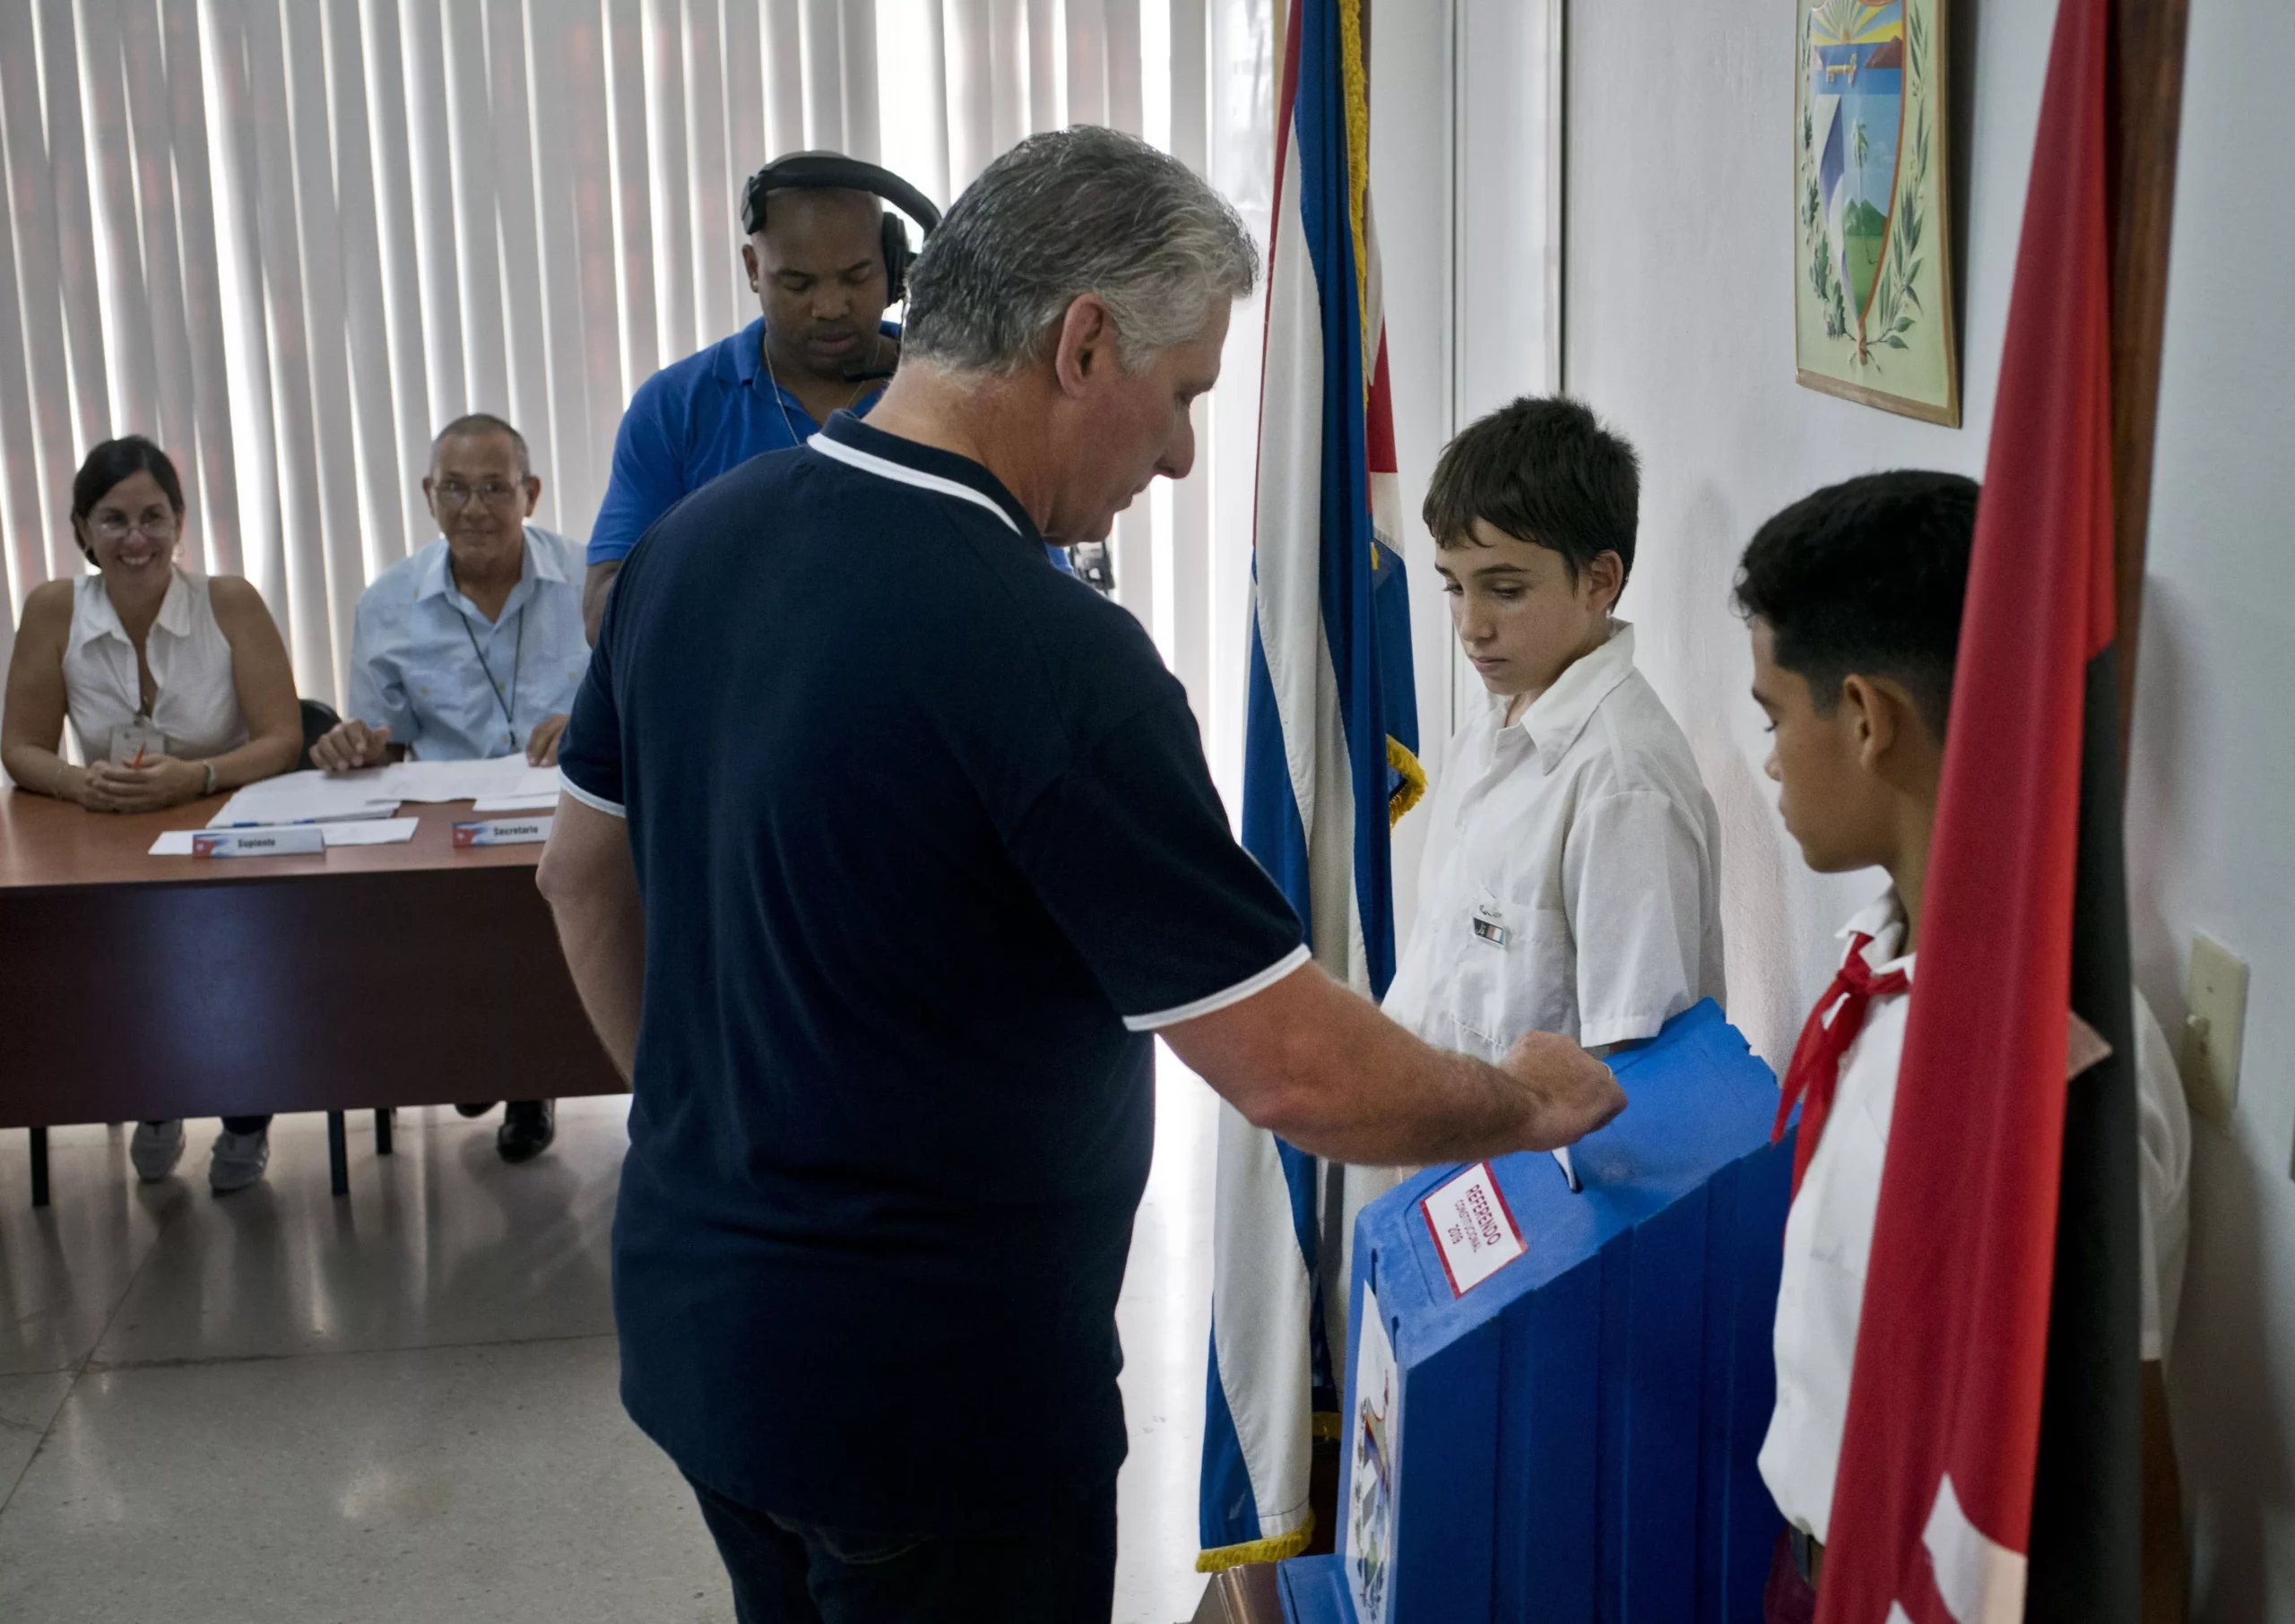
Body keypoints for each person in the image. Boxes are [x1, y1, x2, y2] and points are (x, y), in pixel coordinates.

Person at [536, 126, 1626, 1624]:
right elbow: (1296, 1073)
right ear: (1084, 342)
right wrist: (1528, 1102)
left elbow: (578, 876)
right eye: (1181, 398)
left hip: (698, 1329)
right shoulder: (1053, 660)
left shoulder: (690, 549)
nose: (1182, 452)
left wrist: (686, 1117)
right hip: (938, 1406)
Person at [1733, 471, 2191, 1623]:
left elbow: (2120, 1484)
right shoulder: (1876, 976)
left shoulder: (2042, 1075)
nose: (1773, 759)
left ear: (1868, 718)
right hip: (1807, 1564)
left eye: (1775, 714)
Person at [1383, 396, 1725, 1072]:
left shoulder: (1621, 788)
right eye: (1454, 587)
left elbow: (1633, 1084)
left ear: (1600, 580)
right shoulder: (1494, 716)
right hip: (1443, 1154)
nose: (1471, 626)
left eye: (1505, 590)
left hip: (1530, 1175)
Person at [1, 436, 302, 1192]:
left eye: (153, 517)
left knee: (235, 952)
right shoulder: (53, 609)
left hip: (229, 823)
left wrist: (196, 776)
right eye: (114, 520)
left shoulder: (227, 601)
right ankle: (155, 1093)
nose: (136, 539)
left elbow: (284, 737)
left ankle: (244, 1110)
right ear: (82, 530)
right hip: (112, 832)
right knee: (122, 958)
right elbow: (19, 746)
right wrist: (78, 784)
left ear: (179, 524)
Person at [311, 413, 585, 1162]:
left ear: (529, 493)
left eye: (495, 488)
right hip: (443, 827)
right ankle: (481, 1053)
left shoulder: (590, 583)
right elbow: (382, 747)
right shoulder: (388, 604)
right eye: (455, 490)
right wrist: (354, 746)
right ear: (429, 496)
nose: (475, 509)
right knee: (452, 931)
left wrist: (592, 725)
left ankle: (530, 1079)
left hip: (565, 812)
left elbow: (643, 701)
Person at [580, 153, 934, 643]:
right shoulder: (674, 408)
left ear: (897, 267)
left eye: (856, 277)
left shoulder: (951, 394)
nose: (830, 307)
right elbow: (603, 618)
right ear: (753, 268)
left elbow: (1034, 591)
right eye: (798, 283)